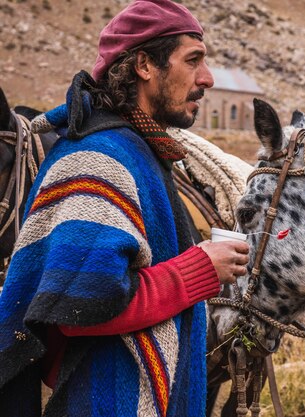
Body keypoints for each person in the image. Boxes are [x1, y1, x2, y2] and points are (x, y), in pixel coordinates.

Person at [0, 1, 250, 416]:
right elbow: (78, 308)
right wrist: (201, 270)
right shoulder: (96, 158)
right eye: (193, 61)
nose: (206, 78)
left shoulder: (142, 150)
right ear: (144, 66)